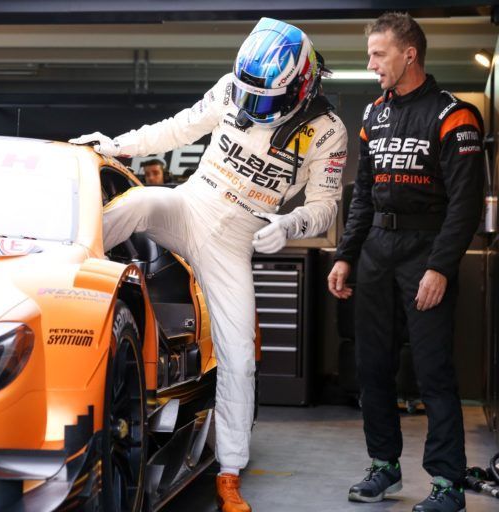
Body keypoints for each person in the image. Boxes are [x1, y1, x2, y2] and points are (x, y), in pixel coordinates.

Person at [71, 17, 347, 512]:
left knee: (239, 355)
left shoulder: (328, 131)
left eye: (264, 99)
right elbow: (178, 128)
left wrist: (289, 224)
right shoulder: (230, 89)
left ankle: (230, 472)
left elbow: (326, 206)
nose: (252, 107)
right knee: (137, 202)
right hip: (189, 203)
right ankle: (62, 271)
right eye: (247, 95)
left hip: (236, 239)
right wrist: (116, 146)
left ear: (302, 84)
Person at [327, 12, 484, 512]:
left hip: (426, 251)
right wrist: (346, 255)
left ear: (409, 54)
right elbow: (363, 196)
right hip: (376, 250)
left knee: (433, 372)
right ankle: (384, 466)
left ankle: (448, 484)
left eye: (379, 54)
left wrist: (440, 267)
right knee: (373, 367)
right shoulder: (373, 115)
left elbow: (465, 205)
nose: (371, 64)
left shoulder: (454, 116)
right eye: (370, 55)